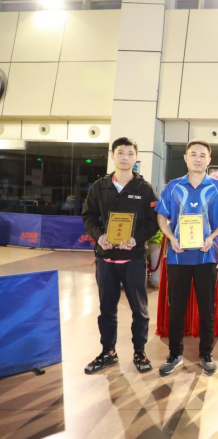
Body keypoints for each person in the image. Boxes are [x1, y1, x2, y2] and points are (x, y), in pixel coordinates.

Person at [155, 140, 218, 376]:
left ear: (209, 160)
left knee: (207, 308)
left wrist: (212, 237)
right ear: (186, 158)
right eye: (193, 154)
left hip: (206, 257)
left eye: (202, 155)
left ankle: (206, 354)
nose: (198, 159)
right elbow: (161, 217)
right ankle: (174, 354)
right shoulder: (173, 187)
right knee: (176, 309)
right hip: (178, 258)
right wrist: (171, 237)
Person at [82, 137, 159, 374]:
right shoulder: (100, 186)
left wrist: (136, 238)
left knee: (140, 310)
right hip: (105, 259)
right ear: (112, 155)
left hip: (133, 259)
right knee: (107, 309)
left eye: (130, 154)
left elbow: (153, 222)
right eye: (121, 153)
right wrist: (99, 235)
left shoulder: (144, 188)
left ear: (136, 157)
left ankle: (140, 352)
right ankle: (108, 352)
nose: (125, 158)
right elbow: (88, 216)